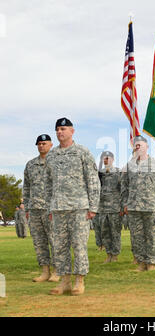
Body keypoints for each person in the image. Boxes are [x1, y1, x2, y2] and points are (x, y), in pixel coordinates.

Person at [45, 118, 100, 295]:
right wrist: (49, 208)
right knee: (60, 246)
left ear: (72, 131)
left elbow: (93, 180)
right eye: (57, 130)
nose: (60, 132)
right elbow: (48, 184)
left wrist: (93, 207)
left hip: (79, 207)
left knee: (78, 245)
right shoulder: (52, 155)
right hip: (58, 208)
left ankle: (79, 281)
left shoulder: (82, 152)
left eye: (63, 129)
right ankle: (64, 281)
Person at [121, 135, 155, 271]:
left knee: (151, 235)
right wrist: (125, 203)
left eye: (140, 145)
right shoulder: (129, 166)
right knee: (136, 236)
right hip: (133, 206)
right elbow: (124, 186)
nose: (137, 147)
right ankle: (141, 262)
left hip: (151, 206)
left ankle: (151, 262)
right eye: (135, 145)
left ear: (147, 147)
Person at [23, 134, 59, 283]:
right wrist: (26, 207)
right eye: (39, 144)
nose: (41, 146)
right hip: (35, 209)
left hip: (52, 208)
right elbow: (26, 187)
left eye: (44, 143)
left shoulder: (57, 162)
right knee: (39, 242)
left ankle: (57, 271)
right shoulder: (30, 165)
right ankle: (45, 271)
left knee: (55, 240)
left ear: (51, 145)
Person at [98, 151, 122, 263]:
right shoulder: (100, 174)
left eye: (107, 158)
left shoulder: (118, 173)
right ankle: (108, 255)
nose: (105, 160)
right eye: (104, 158)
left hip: (114, 208)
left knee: (115, 232)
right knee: (105, 232)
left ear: (112, 159)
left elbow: (123, 190)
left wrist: (122, 206)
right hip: (102, 208)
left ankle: (115, 255)